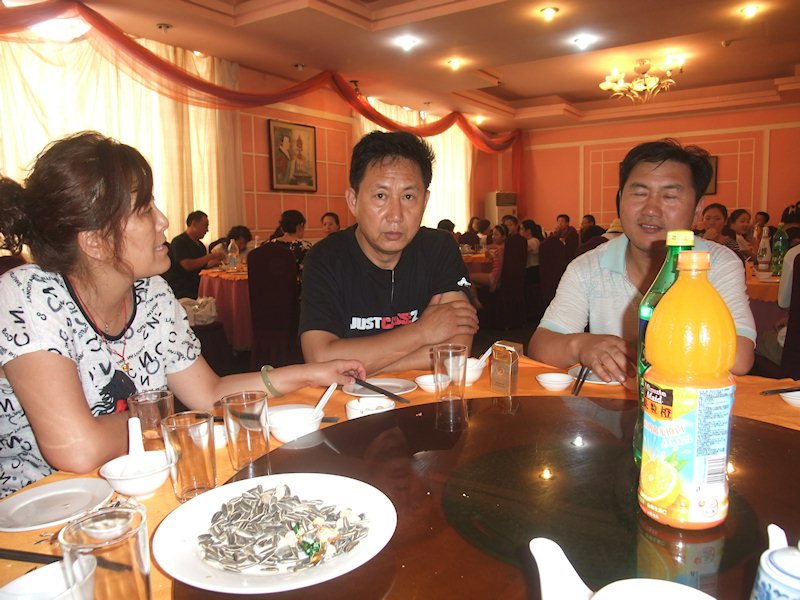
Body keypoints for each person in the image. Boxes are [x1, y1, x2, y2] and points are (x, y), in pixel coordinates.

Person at [0, 132, 365, 498]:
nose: (163, 220)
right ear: (94, 240)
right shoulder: (27, 295)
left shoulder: (152, 293)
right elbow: (77, 448)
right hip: (35, 507)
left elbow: (209, 394)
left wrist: (310, 373)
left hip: (133, 490)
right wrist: (162, 415)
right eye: (145, 210)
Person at [528, 138, 756, 383]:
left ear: (698, 208)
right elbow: (541, 345)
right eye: (639, 193)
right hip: (611, 403)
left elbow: (740, 356)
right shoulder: (588, 267)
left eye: (670, 196)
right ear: (620, 200)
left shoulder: (717, 263)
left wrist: (639, 350)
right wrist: (580, 345)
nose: (651, 210)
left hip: (687, 402)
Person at [299, 131, 479, 373]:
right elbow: (319, 358)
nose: (396, 216)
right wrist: (422, 331)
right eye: (381, 196)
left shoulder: (439, 248)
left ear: (424, 202)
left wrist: (357, 365)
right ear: (353, 200)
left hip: (422, 394)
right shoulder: (326, 258)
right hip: (350, 397)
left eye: (408, 196)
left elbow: (455, 352)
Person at [165, 210, 223, 299]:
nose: (207, 230)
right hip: (182, 287)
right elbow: (187, 265)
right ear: (194, 224)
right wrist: (210, 256)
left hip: (198, 284)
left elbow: (202, 266)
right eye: (205, 226)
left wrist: (218, 263)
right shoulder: (179, 241)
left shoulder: (200, 245)